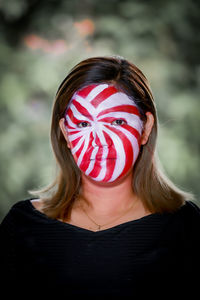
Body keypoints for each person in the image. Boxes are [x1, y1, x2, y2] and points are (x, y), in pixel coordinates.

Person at [0, 55, 200, 297]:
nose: (100, 141)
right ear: (65, 132)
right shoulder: (22, 226)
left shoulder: (185, 226)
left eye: (116, 121)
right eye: (84, 125)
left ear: (144, 128)